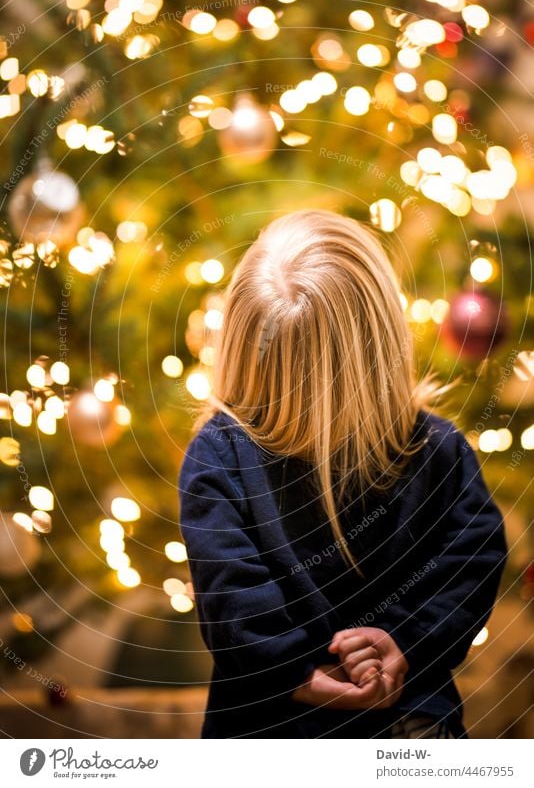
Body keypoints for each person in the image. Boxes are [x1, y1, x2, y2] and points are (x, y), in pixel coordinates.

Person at [179, 209, 507, 739]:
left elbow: (472, 559)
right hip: (295, 720)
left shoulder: (438, 450)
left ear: (238, 348)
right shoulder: (221, 455)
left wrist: (400, 641)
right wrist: (313, 670)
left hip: (383, 720)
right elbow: (232, 597)